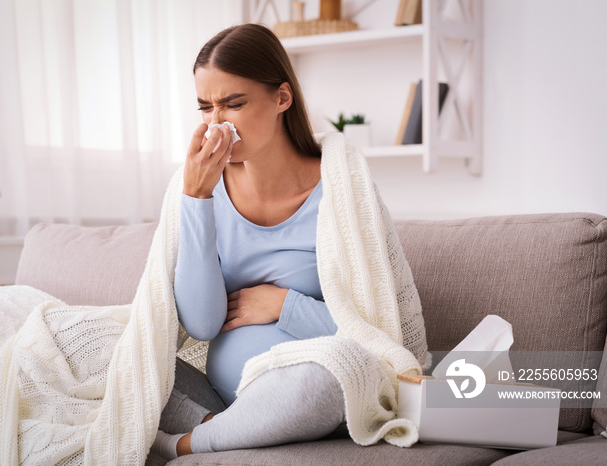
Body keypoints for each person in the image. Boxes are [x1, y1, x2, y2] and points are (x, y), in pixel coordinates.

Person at [150, 23, 426, 460]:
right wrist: (196, 198)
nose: (217, 124)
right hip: (216, 395)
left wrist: (285, 306)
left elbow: (378, 338)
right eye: (205, 107)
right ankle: (228, 429)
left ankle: (185, 443)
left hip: (308, 391)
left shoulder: (341, 187)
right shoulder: (201, 189)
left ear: (281, 97)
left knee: (333, 374)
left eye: (233, 104)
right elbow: (201, 326)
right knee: (111, 346)